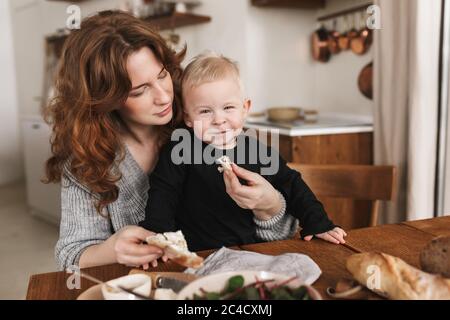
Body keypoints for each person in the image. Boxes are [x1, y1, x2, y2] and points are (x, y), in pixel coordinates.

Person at [44, 11, 296, 271]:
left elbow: (283, 238)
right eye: (140, 90)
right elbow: (70, 255)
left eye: (162, 75)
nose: (164, 97)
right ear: (105, 99)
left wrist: (270, 207)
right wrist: (110, 250)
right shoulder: (88, 160)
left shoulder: (204, 119)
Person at [139, 52, 347, 251]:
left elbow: (292, 184)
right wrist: (159, 239)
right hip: (197, 252)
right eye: (205, 111)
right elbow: (163, 195)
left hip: (250, 249)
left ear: (245, 108)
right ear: (188, 118)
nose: (219, 120)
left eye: (228, 108)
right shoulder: (180, 150)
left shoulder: (256, 150)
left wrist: (318, 222)